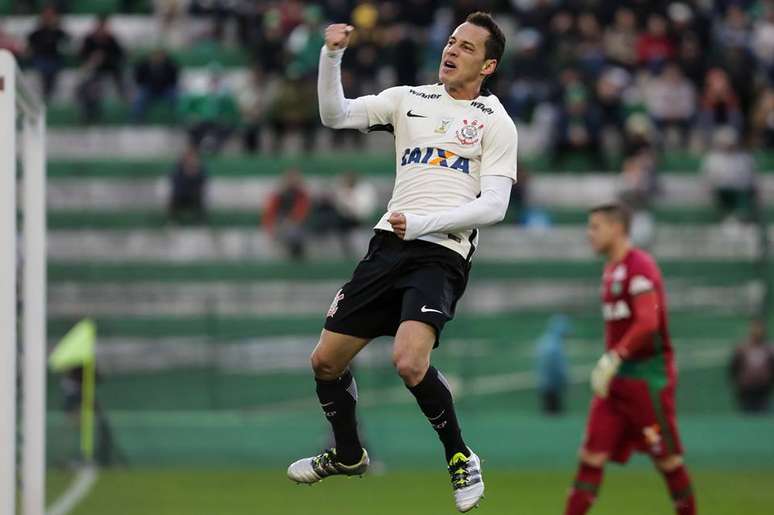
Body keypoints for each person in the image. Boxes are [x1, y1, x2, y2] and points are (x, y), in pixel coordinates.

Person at [286, 12, 518, 513]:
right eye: (451, 41)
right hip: (388, 247)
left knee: (409, 361)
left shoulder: (495, 120)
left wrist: (425, 223)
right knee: (324, 362)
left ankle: (459, 455)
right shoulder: (408, 99)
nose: (451, 50)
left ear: (488, 65)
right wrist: (332, 56)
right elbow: (334, 115)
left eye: (466, 47)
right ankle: (348, 454)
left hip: (442, 252)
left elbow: (494, 207)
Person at [564, 203, 696, 515]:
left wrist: (615, 356)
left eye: (595, 227)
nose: (589, 234)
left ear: (617, 228)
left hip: (645, 380)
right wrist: (613, 363)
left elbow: (648, 323)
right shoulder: (611, 269)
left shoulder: (640, 266)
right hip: (616, 382)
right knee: (591, 457)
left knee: (667, 460)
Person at [262, 168, 311, 260]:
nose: (292, 181)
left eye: (295, 178)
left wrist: (292, 221)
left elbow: (302, 212)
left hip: (297, 225)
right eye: (290, 178)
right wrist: (270, 227)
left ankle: (296, 256)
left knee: (295, 232)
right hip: (280, 224)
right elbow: (269, 213)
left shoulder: (302, 195)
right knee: (289, 232)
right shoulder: (277, 195)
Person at [729, 320, 774, 414]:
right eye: (755, 329)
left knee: (763, 416)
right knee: (747, 417)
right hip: (746, 390)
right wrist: (738, 383)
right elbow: (734, 368)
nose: (757, 332)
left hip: (763, 390)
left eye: (760, 329)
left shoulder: (769, 349)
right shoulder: (742, 348)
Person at [26, 6, 70, 101]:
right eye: (46, 15)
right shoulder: (37, 33)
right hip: (40, 60)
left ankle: (48, 94)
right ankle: (45, 94)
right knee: (44, 69)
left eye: (51, 15)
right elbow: (30, 48)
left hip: (55, 60)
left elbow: (66, 43)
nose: (48, 17)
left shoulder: (59, 32)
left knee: (52, 71)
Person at [131, 48, 180, 122]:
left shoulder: (171, 65)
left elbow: (174, 79)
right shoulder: (143, 65)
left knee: (176, 98)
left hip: (165, 89)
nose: (158, 58)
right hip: (149, 89)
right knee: (139, 99)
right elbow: (138, 78)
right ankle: (137, 120)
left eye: (160, 56)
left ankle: (180, 120)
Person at [535, 314, 570, 415]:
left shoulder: (543, 341)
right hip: (553, 387)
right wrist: (566, 382)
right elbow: (560, 368)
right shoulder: (556, 345)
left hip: (543, 385)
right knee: (554, 415)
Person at [168, 146, 208, 223]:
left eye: (193, 157)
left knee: (200, 197)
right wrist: (186, 175)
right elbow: (174, 182)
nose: (191, 160)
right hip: (181, 195)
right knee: (174, 198)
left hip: (195, 195)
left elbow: (203, 182)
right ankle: (172, 221)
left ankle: (202, 222)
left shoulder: (201, 169)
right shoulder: (178, 168)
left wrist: (195, 175)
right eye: (189, 157)